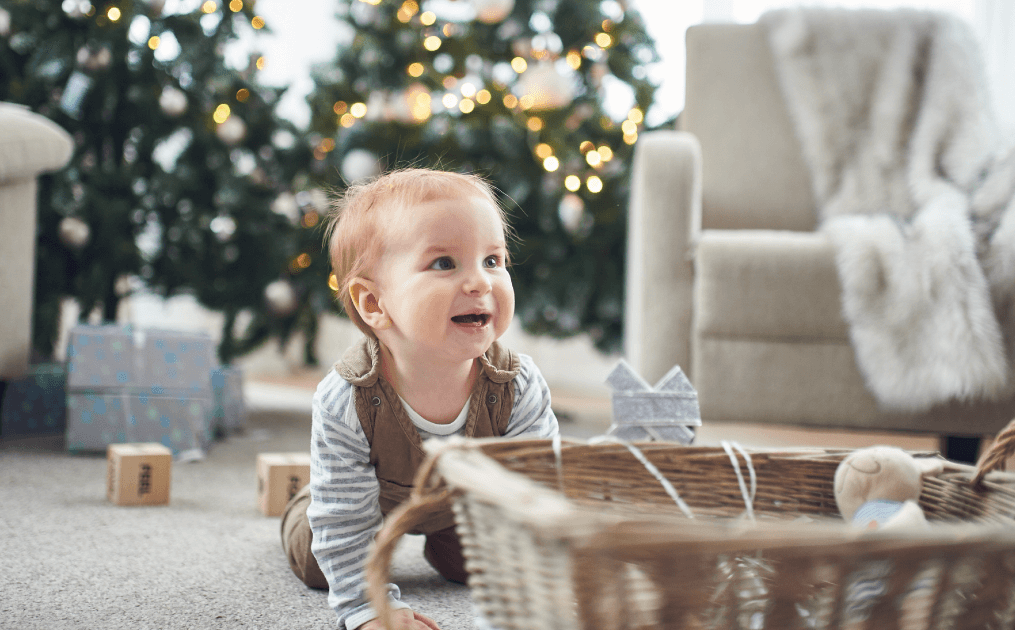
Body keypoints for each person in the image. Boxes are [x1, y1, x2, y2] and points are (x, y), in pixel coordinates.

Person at [281, 168, 559, 630]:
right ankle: (301, 502)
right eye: (445, 264)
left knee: (478, 568)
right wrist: (369, 609)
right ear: (374, 305)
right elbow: (346, 525)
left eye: (493, 260)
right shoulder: (347, 396)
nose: (480, 283)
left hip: (463, 506)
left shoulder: (518, 386)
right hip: (365, 499)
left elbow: (538, 494)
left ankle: (441, 542)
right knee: (319, 563)